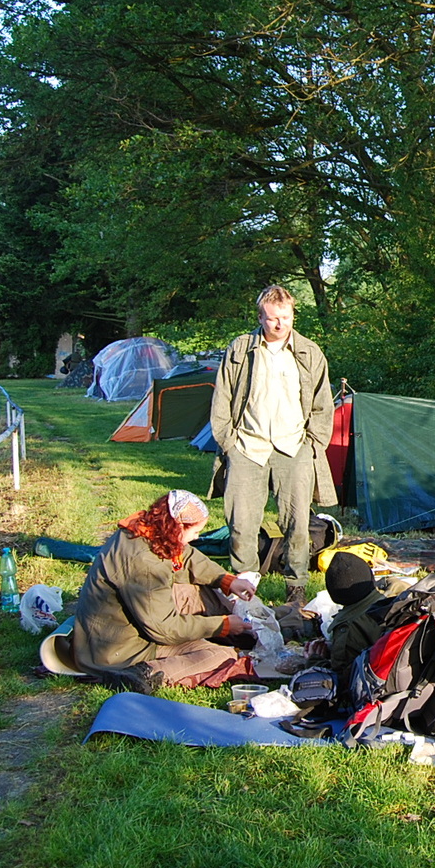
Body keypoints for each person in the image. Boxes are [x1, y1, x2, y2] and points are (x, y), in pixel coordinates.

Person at [208, 284, 336, 606]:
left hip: (294, 448)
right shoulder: (240, 349)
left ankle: (296, 588)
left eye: (286, 317)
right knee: (241, 524)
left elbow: (323, 404)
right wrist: (228, 442)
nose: (280, 324)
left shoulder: (310, 352)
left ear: (293, 315)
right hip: (247, 447)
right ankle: (245, 589)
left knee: (297, 524)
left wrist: (312, 444)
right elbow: (222, 397)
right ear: (260, 318)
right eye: (272, 318)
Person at [73, 490, 259, 692]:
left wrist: (226, 580)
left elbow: (187, 557)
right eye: (196, 531)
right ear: (178, 527)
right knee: (221, 656)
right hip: (118, 652)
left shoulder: (145, 530)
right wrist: (221, 626)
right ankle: (141, 674)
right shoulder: (145, 564)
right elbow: (164, 629)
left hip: (113, 633)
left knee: (197, 592)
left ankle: (240, 632)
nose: (197, 537)